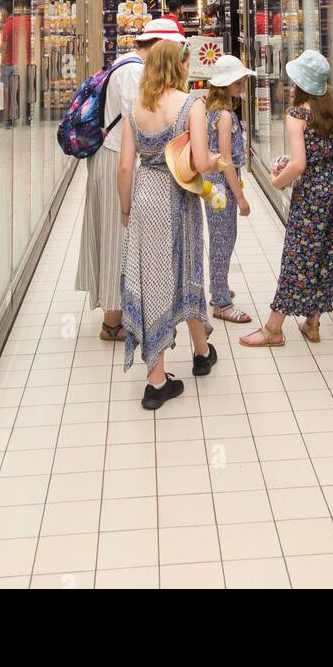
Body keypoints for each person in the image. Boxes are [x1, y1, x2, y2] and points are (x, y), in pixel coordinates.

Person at [117, 37, 222, 409]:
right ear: (178, 66)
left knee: (154, 280)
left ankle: (182, 360)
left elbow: (126, 165)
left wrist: (127, 209)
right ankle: (174, 370)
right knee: (188, 272)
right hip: (180, 197)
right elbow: (200, 162)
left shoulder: (136, 108)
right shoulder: (191, 104)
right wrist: (217, 162)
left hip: (147, 196)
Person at [240, 49, 333, 348]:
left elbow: (300, 165)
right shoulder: (332, 109)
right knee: (325, 252)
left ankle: (274, 329)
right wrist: (293, 161)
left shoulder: (296, 115)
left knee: (297, 255)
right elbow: (320, 152)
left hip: (312, 192)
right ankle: (312, 322)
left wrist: (277, 180)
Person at [75, 18, 165, 340]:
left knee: (113, 234)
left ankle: (115, 315)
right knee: (117, 236)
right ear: (155, 46)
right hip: (115, 159)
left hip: (108, 156)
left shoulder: (120, 65)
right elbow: (137, 121)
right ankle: (113, 324)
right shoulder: (134, 72)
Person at [203, 53, 255, 324]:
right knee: (223, 239)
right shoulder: (224, 116)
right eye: (237, 82)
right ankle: (221, 302)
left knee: (222, 236)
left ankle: (218, 285)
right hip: (221, 187)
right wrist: (241, 196)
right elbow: (225, 160)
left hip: (214, 186)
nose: (241, 85)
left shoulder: (214, 111)